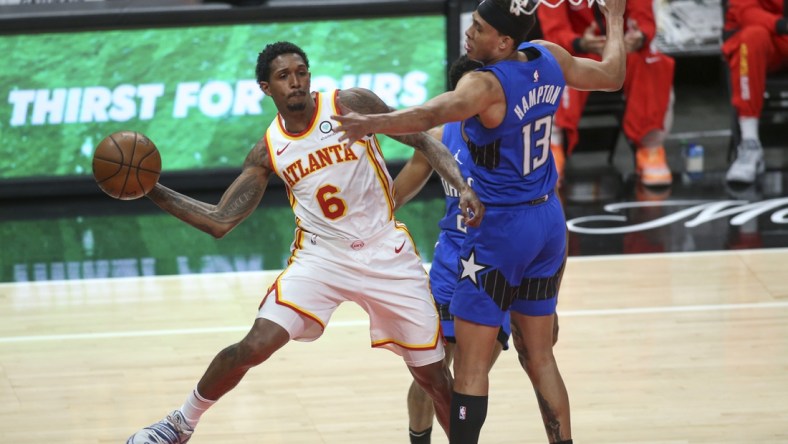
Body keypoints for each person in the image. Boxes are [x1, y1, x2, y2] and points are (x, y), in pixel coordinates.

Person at [124, 41, 485, 444]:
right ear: (266, 88)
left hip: (386, 251)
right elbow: (220, 221)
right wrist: (151, 189)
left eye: (301, 72)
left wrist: (461, 187)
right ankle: (179, 424)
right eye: (284, 76)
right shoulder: (269, 150)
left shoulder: (350, 104)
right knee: (254, 345)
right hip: (321, 259)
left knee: (433, 378)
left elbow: (424, 141)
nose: (295, 82)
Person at [332, 0, 627, 442]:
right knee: (540, 357)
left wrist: (371, 122)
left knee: (469, 369)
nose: (469, 33)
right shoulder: (550, 57)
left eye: (480, 28)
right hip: (546, 220)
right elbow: (612, 76)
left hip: (497, 230)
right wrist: (616, 19)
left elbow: (432, 112)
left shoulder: (484, 85)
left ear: (505, 41)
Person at [394, 54, 512, 444]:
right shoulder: (443, 134)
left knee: (470, 379)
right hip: (449, 266)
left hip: (498, 266)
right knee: (431, 374)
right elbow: (400, 189)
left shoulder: (514, 135)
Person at [537, 0, 675, 188]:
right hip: (579, 50)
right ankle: (551, 147)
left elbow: (644, 18)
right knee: (553, 63)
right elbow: (553, 31)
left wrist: (639, 36)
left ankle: (651, 147)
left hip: (623, 50)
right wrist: (579, 42)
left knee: (655, 61)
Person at [722, 0, 788, 184]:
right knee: (752, 38)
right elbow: (746, 12)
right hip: (765, 35)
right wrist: (781, 25)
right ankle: (750, 144)